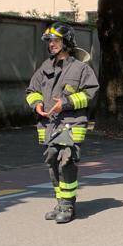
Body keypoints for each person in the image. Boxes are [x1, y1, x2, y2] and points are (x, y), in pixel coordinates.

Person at [25, 23, 99, 223]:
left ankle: (68, 205)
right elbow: (32, 91)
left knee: (66, 159)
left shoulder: (81, 68)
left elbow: (90, 94)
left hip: (71, 122)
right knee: (52, 160)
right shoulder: (45, 67)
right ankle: (60, 201)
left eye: (56, 41)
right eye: (50, 41)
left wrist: (65, 104)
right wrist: (37, 104)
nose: (52, 45)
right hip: (49, 123)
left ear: (67, 42)